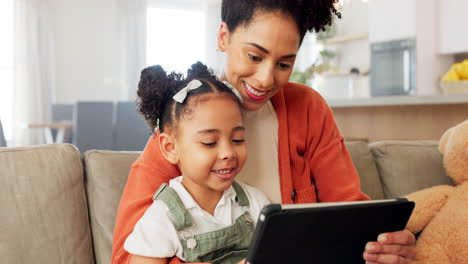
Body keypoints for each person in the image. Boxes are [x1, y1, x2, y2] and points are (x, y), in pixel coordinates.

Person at [112, 1, 416, 264]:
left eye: (285, 63)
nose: (266, 79)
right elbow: (127, 256)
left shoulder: (308, 109)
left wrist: (382, 244)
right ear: (223, 37)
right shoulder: (181, 127)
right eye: (255, 57)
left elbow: (350, 214)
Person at [123, 62, 270, 264]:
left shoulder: (256, 204)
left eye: (237, 139)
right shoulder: (162, 218)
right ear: (170, 148)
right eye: (210, 143)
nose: (228, 153)